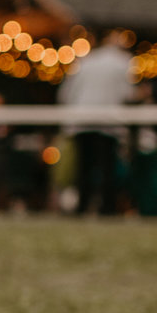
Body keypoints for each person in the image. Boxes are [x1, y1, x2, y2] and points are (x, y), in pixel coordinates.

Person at [59, 30, 138, 216]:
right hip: (108, 123)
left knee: (83, 167)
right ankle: (107, 208)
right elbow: (127, 94)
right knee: (107, 167)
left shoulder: (85, 61)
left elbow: (66, 94)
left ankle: (82, 207)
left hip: (81, 120)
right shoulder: (123, 62)